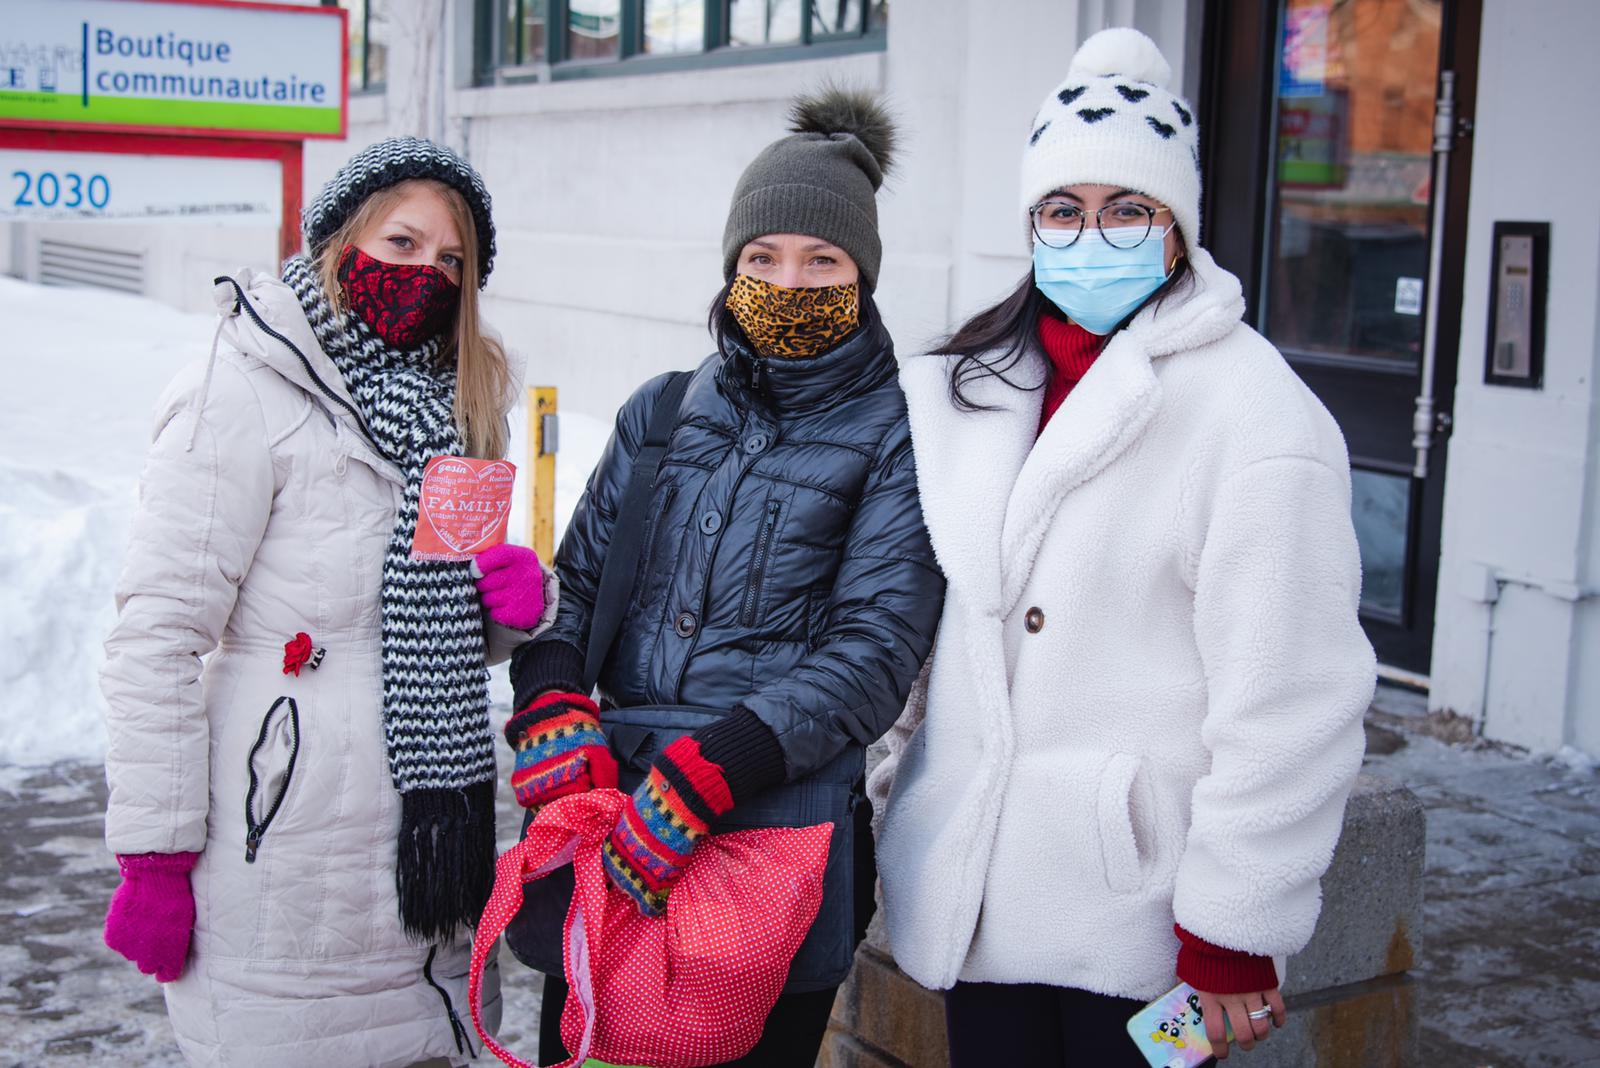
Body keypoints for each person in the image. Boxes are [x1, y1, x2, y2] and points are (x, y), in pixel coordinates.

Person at [870, 28, 1378, 1066]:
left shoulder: (1254, 415)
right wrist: (884, 791)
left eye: (1126, 209)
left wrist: (1236, 930)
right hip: (976, 892)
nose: (1088, 235)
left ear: (1177, 228)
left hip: (1139, 918)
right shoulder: (968, 383)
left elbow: (1291, 695)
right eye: (1062, 210)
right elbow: (924, 628)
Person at [504, 89, 945, 1068]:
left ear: (861, 277)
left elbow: (876, 649)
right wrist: (548, 691)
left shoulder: (897, 436)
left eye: (820, 261)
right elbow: (574, 590)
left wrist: (715, 768)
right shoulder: (658, 414)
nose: (789, 282)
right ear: (731, 267)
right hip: (612, 828)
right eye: (763, 258)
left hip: (771, 839)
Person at [99, 136, 555, 1067]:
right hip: (284, 859)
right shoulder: (241, 388)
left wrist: (509, 610)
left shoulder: (460, 404)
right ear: (339, 240)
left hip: (429, 857)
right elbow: (155, 639)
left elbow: (439, 621)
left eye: (452, 260)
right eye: (401, 242)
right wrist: (153, 857)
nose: (426, 272)